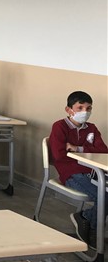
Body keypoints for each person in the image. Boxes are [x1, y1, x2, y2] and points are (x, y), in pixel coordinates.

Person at [50, 91, 107, 246]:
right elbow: (59, 155)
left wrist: (78, 149)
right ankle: (94, 230)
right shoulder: (60, 126)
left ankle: (85, 217)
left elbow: (103, 150)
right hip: (71, 173)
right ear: (68, 109)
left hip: (93, 171)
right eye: (80, 108)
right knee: (103, 196)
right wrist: (89, 151)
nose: (85, 112)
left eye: (88, 108)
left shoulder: (91, 128)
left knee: (106, 195)